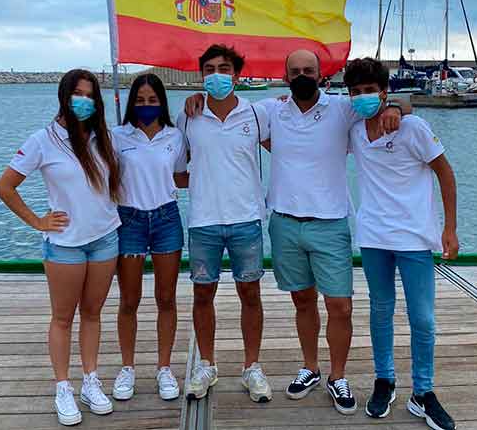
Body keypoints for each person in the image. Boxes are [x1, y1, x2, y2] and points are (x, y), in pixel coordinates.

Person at [184, 49, 406, 415]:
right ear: (285, 77)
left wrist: (396, 106)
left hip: (330, 222)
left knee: (340, 305)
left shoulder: (342, 108)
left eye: (309, 70)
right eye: (295, 71)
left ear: (322, 75)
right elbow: (229, 116)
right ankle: (311, 368)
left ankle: (338, 376)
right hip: (284, 221)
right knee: (303, 301)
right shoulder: (270, 111)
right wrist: (197, 99)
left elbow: (383, 103)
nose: (302, 75)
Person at [0, 69, 121, 426]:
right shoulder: (42, 140)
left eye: (90, 95)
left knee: (93, 313)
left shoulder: (103, 138)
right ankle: (63, 385)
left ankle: (90, 380)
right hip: (65, 244)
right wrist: (37, 221)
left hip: (105, 238)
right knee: (63, 317)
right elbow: (5, 187)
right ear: (64, 96)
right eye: (77, 93)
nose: (84, 100)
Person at [346, 58, 458, 430]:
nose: (363, 98)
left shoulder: (413, 127)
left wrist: (450, 229)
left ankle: (423, 393)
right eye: (356, 92)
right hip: (374, 236)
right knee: (380, 311)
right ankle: (385, 380)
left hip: (414, 237)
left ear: (383, 91)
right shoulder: (355, 130)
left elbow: (445, 174)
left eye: (370, 91)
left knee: (422, 318)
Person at [177, 44, 273, 403]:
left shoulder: (256, 113)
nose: (217, 75)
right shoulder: (188, 115)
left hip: (247, 218)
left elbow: (286, 148)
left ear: (237, 73)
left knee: (251, 293)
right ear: (202, 74)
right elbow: (176, 167)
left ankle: (252, 367)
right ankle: (206, 364)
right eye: (210, 69)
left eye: (225, 68)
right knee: (203, 294)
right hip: (203, 220)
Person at [110, 74, 189, 402]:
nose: (146, 106)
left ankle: (164, 367)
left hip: (166, 218)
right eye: (140, 100)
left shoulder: (175, 136)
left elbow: (181, 176)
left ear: (161, 102)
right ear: (132, 103)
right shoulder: (117, 136)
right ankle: (127, 367)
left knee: (166, 298)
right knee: (129, 300)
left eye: (152, 100)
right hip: (128, 220)